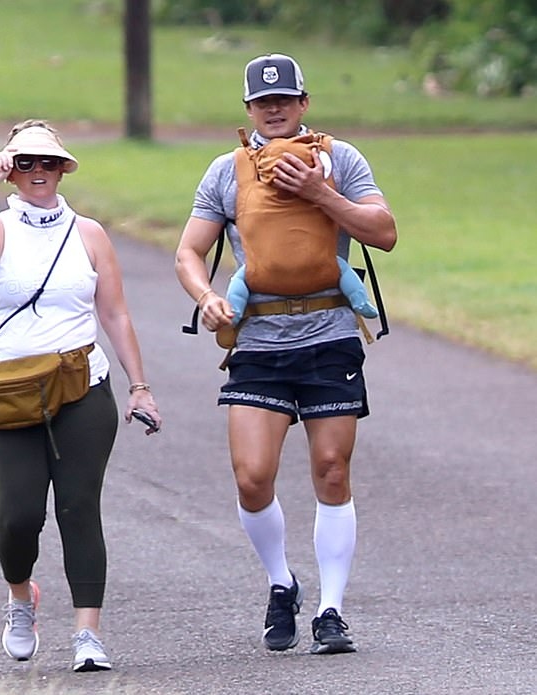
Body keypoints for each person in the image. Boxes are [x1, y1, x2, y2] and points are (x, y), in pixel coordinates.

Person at [175, 54, 396, 654]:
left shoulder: (338, 159)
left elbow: (383, 232)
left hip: (329, 334)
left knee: (332, 468)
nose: (274, 109)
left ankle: (331, 610)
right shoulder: (227, 170)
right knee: (252, 478)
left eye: (285, 99)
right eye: (262, 102)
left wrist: (322, 193)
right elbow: (189, 252)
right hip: (259, 338)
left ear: (303, 103)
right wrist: (207, 297)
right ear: (248, 110)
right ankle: (281, 583)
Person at [0, 119, 161, 671]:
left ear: (64, 168)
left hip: (82, 387)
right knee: (18, 517)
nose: (37, 172)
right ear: (12, 169)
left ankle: (88, 634)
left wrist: (139, 387)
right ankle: (21, 597)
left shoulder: (89, 234)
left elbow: (114, 311)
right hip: (11, 393)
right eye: (25, 163)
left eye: (47, 162)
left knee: (79, 507)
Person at [225, 256, 378, 326]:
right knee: (340, 268)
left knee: (243, 276)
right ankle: (361, 301)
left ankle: (234, 312)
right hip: (312, 251)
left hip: (266, 256)